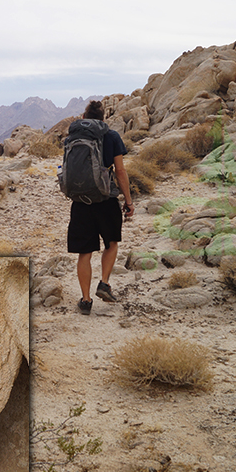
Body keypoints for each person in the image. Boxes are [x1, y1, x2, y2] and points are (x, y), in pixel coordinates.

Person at [67, 100, 134, 315]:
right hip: (106, 199)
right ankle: (104, 283)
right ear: (103, 119)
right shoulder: (111, 136)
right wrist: (129, 201)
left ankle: (85, 300)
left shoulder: (73, 138)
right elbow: (121, 171)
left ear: (85, 117)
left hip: (81, 201)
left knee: (84, 253)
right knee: (112, 242)